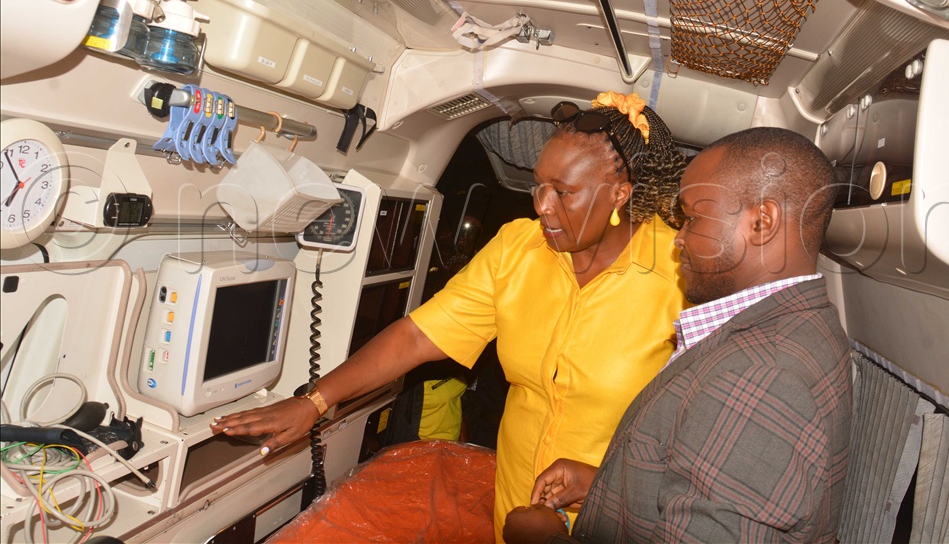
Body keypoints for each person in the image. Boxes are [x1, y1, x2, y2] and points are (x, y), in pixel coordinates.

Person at [212, 91, 689, 541]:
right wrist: (313, 403)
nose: (542, 205)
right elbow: (419, 336)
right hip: (517, 509)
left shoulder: (680, 270)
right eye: (539, 185)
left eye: (563, 192)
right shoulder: (517, 248)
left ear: (620, 194)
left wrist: (607, 483)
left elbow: (707, 431)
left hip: (621, 515)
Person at [504, 126, 853, 543]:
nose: (678, 240)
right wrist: (610, 482)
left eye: (691, 218)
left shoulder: (764, 376)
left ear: (762, 222)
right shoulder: (784, 328)